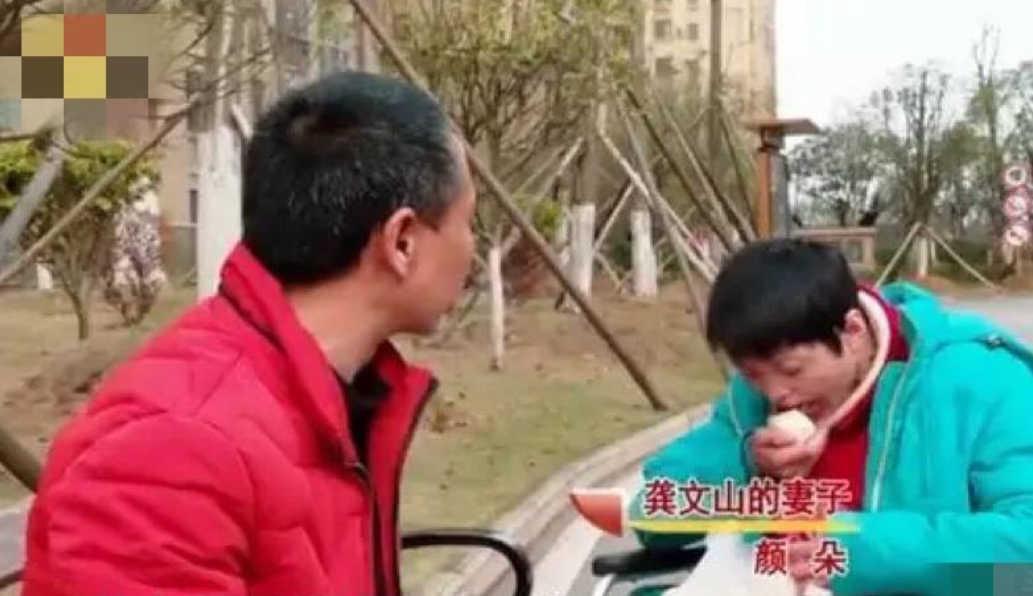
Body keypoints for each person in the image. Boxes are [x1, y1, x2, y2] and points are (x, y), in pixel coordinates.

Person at [22, 71, 477, 596]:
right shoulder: (172, 452)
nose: (472, 246)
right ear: (402, 241)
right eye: (468, 220)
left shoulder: (333, 396)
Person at [632, 238, 1033, 596]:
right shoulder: (752, 404)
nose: (776, 394)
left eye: (791, 370)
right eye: (753, 375)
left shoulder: (977, 379)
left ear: (853, 331)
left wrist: (862, 553)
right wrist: (747, 464)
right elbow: (649, 513)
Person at [102, 175, 168, 325]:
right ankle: (129, 311)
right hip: (127, 251)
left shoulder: (150, 209)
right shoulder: (123, 211)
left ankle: (138, 312)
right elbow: (119, 240)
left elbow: (152, 240)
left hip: (145, 249)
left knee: (154, 281)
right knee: (123, 280)